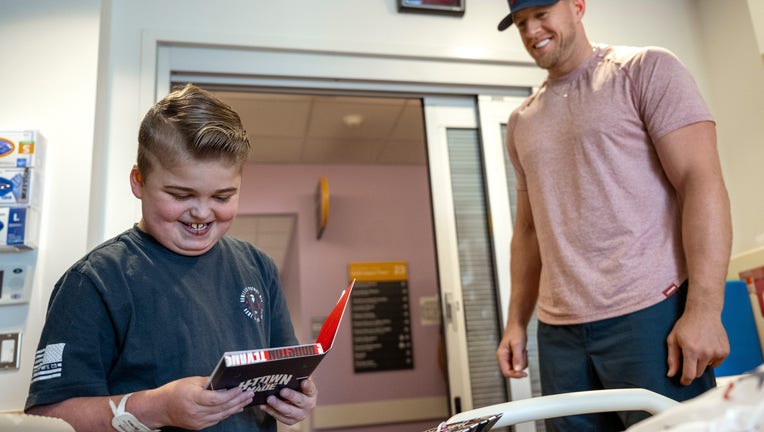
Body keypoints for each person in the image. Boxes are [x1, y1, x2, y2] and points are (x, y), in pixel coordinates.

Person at [493, 0, 732, 430]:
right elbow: (528, 230)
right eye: (521, 22)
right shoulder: (521, 121)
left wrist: (705, 310)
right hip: (558, 333)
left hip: (649, 317)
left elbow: (701, 181)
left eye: (542, 13)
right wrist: (516, 322)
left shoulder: (645, 69)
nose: (531, 31)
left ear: (578, 6)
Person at [25, 83, 317, 431]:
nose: (202, 213)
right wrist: (155, 408)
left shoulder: (259, 267)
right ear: (138, 181)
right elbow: (46, 418)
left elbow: (284, 372)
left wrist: (298, 397)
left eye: (223, 197)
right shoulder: (94, 282)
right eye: (181, 194)